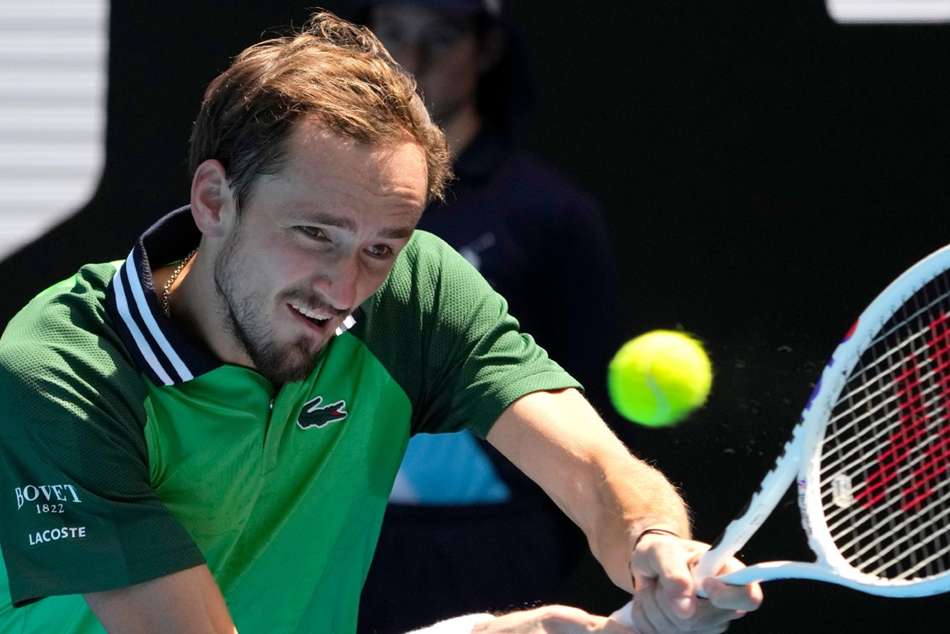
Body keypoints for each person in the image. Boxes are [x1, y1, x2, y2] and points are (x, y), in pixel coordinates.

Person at [0, 10, 760, 634]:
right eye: (315, 233)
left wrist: (653, 540)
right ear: (213, 200)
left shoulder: (417, 290)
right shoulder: (62, 372)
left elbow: (596, 471)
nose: (345, 287)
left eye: (380, 247)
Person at [355, 1, 629, 629]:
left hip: (492, 550)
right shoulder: (327, 196)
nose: (410, 61)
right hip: (342, 532)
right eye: (392, 33)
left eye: (441, 37)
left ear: (487, 49)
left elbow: (589, 400)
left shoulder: (550, 212)